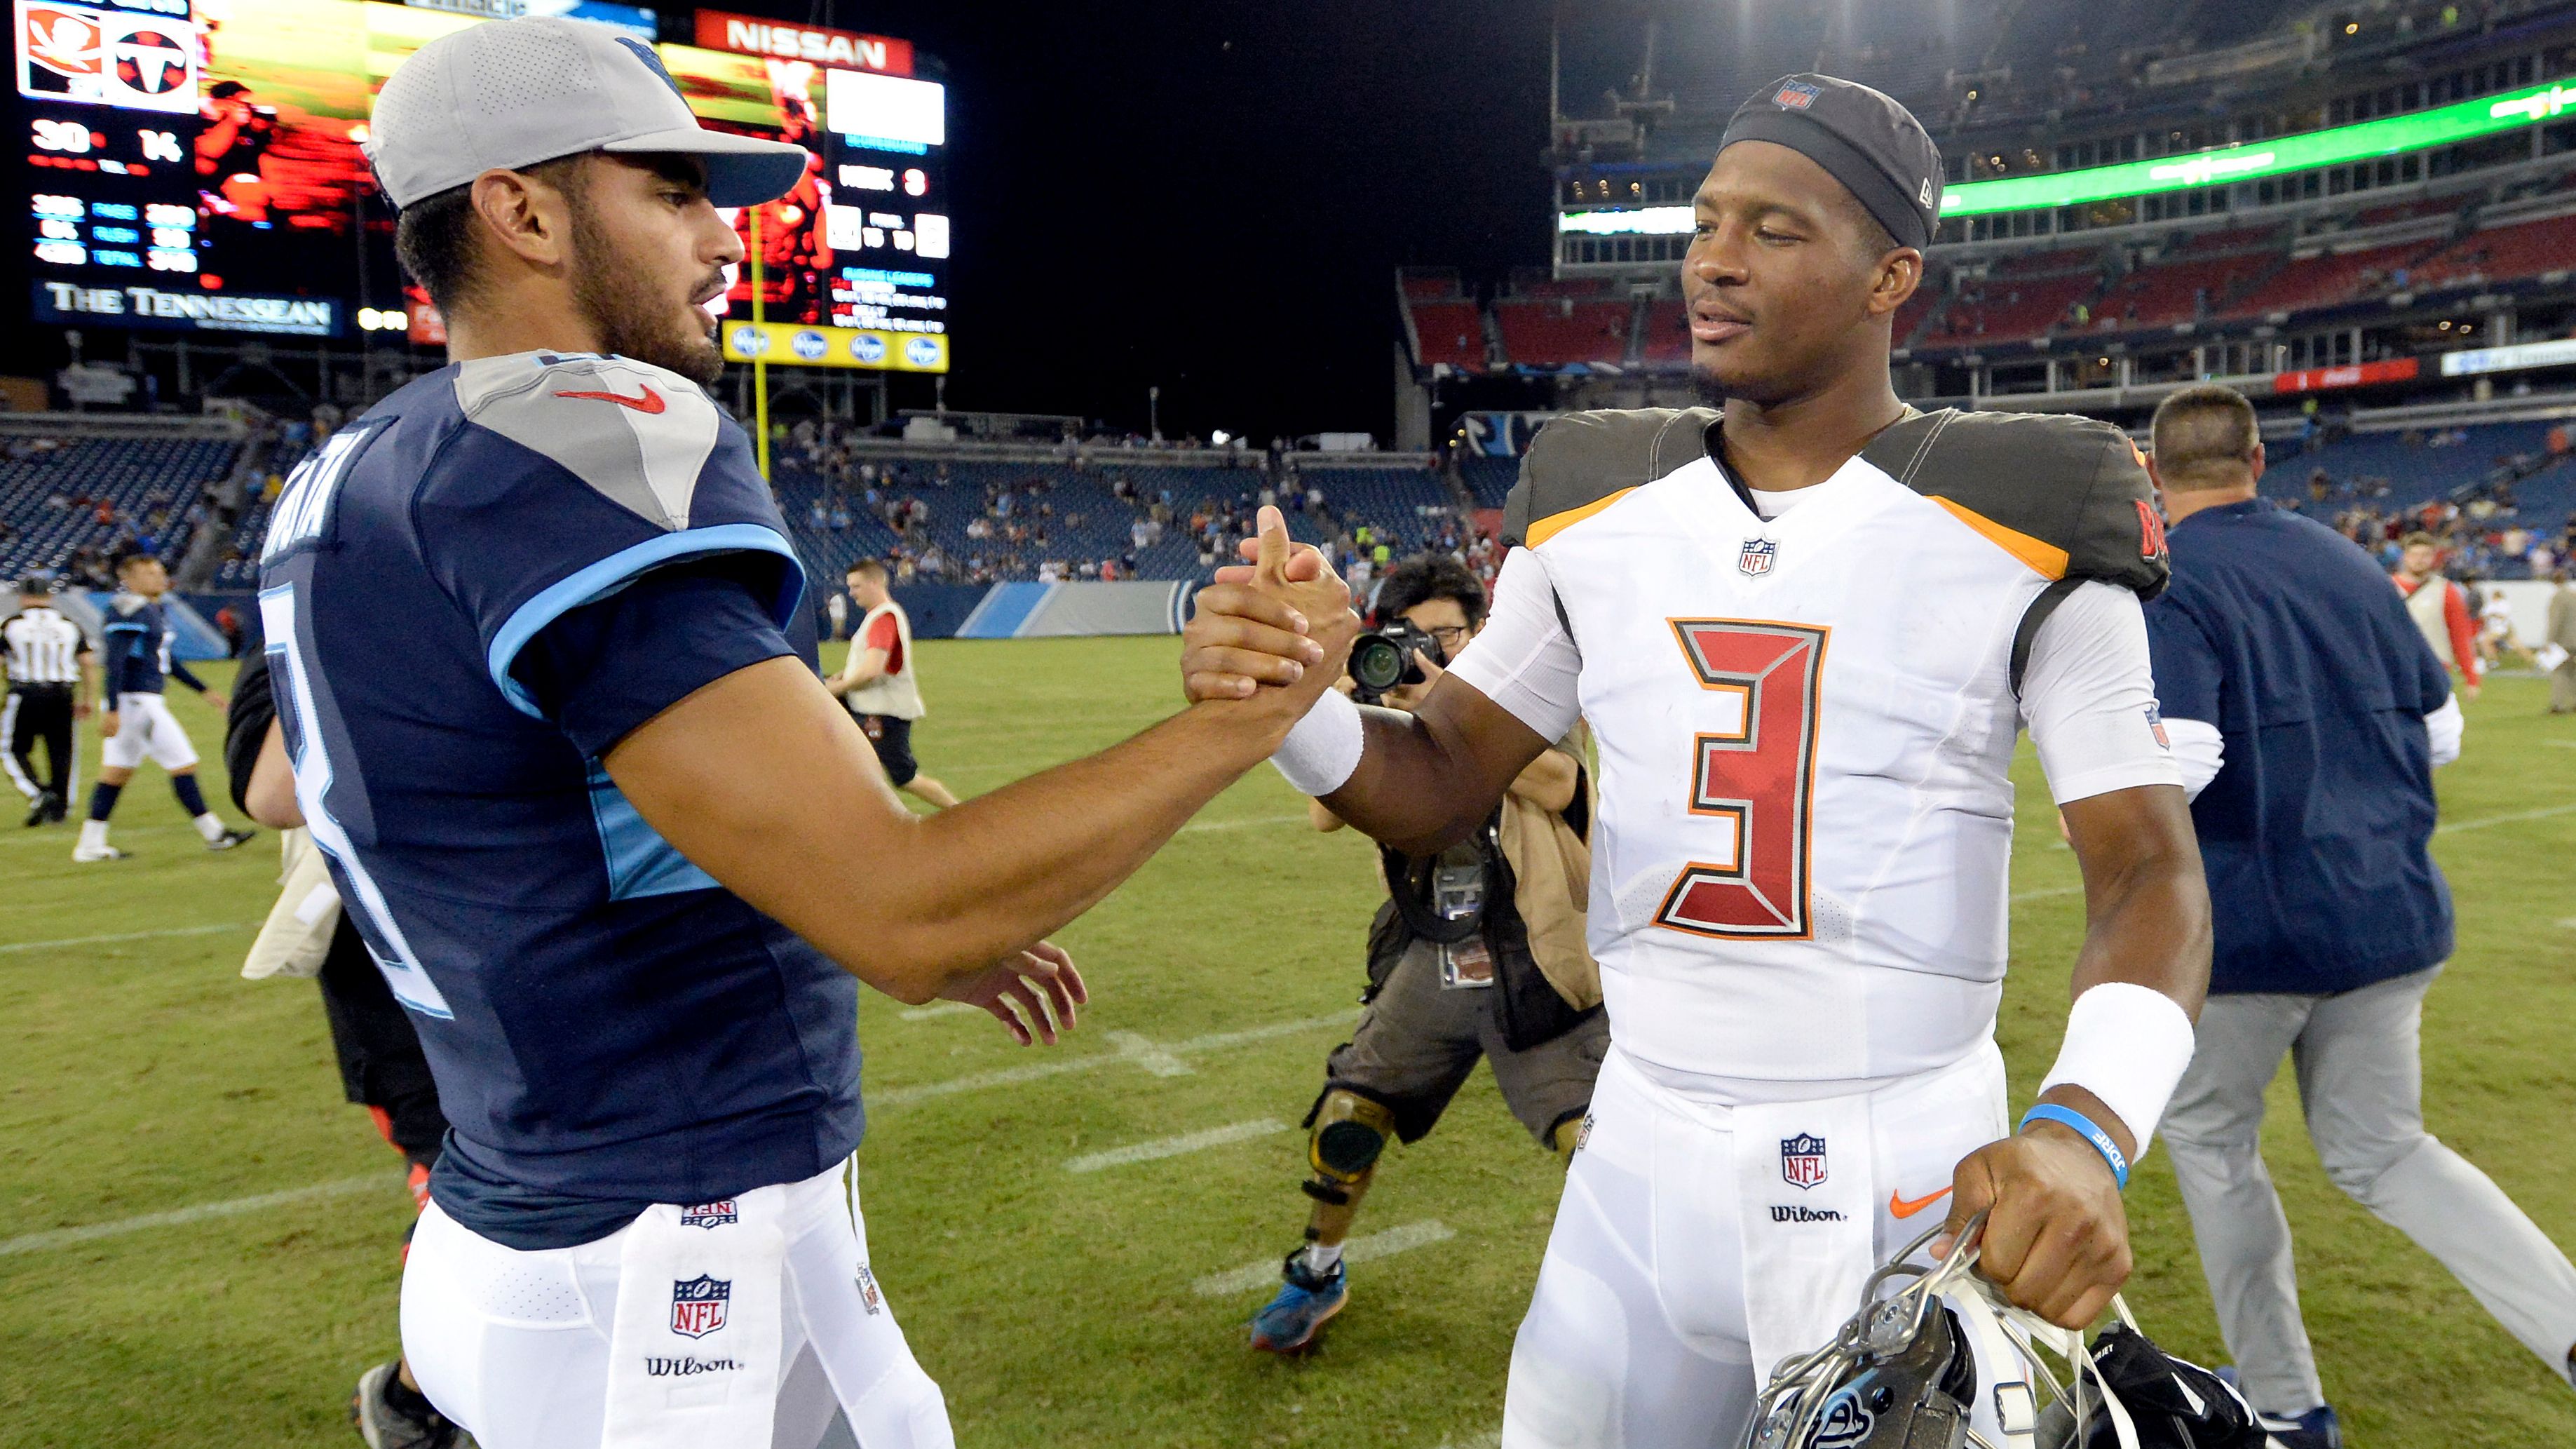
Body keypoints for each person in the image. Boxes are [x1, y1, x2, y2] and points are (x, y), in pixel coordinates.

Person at [294, 20, 1347, 1446]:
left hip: (522, 1228)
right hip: (669, 1279)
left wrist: (863, 933)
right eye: (669, 192)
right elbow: (903, 909)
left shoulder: (364, 464)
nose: (725, 238)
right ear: (522, 208)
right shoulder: (577, 442)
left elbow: (570, 816)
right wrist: (1253, 714)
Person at [1182, 73, 2209, 1449]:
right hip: (1639, 1147)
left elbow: (2147, 866)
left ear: (1888, 274)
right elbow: (1438, 771)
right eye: (1708, 219)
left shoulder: (2024, 506)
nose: (1714, 259)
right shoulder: (1595, 492)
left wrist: (2084, 1128)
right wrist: (1294, 704)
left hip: (1897, 1163)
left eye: (1776, 229)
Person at [2139, 384, 2576, 1449]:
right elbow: (2442, 733)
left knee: (2209, 1140)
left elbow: (2181, 759)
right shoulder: (2350, 561)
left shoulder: (2172, 580)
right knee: (2386, 1150)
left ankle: (2288, 1406)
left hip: (2249, 926)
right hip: (2384, 911)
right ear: (2256, 455)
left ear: (2155, 474)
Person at [1250, 555, 1604, 1354]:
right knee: (1348, 1119)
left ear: (1480, 629)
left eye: (1445, 632)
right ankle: (1317, 1268)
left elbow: (1562, 786)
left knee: (1593, 1147)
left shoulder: (1535, 690)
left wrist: (1446, 707)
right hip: (1436, 950)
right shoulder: (1386, 704)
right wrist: (1352, 709)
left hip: (1541, 948)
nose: (1431, 647)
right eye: (1416, 635)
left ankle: (1649, 1296)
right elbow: (1322, 814)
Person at [224, 649, 459, 1448]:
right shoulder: (301, 617)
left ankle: (432, 1390)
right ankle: (415, 1394)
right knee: (466, 1200)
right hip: (395, 975)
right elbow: (273, 792)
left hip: (520, 945)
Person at [78, 546, 254, 861]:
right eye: (149, 573)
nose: (159, 578)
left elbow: (166, 660)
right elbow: (116, 661)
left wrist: (205, 691)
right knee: (183, 763)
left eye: (160, 572)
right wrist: (114, 708)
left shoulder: (153, 609)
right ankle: (215, 833)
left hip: (140, 701)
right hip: (137, 702)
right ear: (128, 579)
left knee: (115, 774)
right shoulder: (128, 609)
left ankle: (90, 845)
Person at [829, 560, 958, 809]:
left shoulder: (883, 618)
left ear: (875, 583)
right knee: (856, 768)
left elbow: (873, 670)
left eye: (856, 586)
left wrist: (835, 689)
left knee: (904, 777)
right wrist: (843, 675)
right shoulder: (880, 616)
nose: (851, 593)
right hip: (874, 710)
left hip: (883, 714)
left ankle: (964, 815)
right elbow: (874, 664)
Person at [4, 572, 91, 826]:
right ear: (50, 596)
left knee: (11, 748)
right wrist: (86, 698)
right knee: (62, 751)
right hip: (63, 692)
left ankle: (39, 793)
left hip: (25, 692)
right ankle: (60, 809)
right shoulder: (69, 623)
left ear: (22, 597)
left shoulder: (11, 624)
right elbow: (87, 661)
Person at [2392, 532, 2481, 701]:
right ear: (2405, 556)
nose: (2419, 560)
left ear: (2434, 557)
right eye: (2414, 555)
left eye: (2425, 555)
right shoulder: (2387, 588)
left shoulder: (2445, 591)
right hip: (2396, 670)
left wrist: (2471, 677)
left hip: (2435, 670)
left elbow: (2460, 635)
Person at [2547, 568, 2576, 714]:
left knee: (2560, 671)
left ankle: (2557, 705)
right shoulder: (2573, 595)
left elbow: (2556, 622)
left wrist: (2549, 642)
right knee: (2573, 672)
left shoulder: (2558, 597)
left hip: (2563, 641)